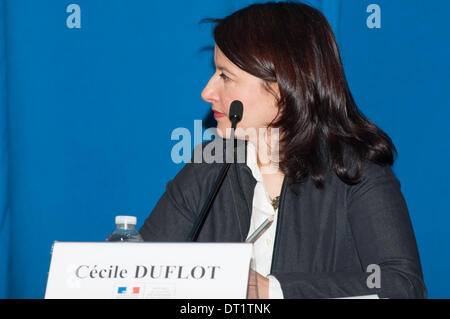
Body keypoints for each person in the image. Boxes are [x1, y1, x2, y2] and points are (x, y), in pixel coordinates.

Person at [139, 1, 427, 299]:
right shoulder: (208, 165)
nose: (207, 92)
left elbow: (402, 285)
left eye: (225, 76)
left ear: (281, 88)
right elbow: (141, 268)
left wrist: (272, 290)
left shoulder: (355, 172)